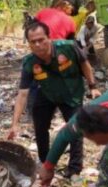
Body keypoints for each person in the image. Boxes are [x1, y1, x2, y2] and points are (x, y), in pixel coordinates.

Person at [7, 21, 101, 178]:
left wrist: (93, 86)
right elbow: (23, 94)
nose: (38, 45)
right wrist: (14, 124)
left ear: (49, 38)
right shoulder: (29, 63)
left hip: (71, 92)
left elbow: (85, 64)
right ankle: (46, 163)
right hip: (47, 92)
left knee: (74, 128)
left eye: (41, 39)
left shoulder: (69, 47)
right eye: (33, 42)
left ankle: (74, 168)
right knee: (40, 126)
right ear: (28, 44)